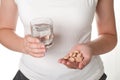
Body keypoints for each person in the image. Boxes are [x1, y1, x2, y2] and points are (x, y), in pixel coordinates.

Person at [0, 0, 117, 80]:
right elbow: (4, 29)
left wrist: (91, 48)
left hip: (87, 77)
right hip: (31, 76)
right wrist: (22, 45)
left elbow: (109, 35)